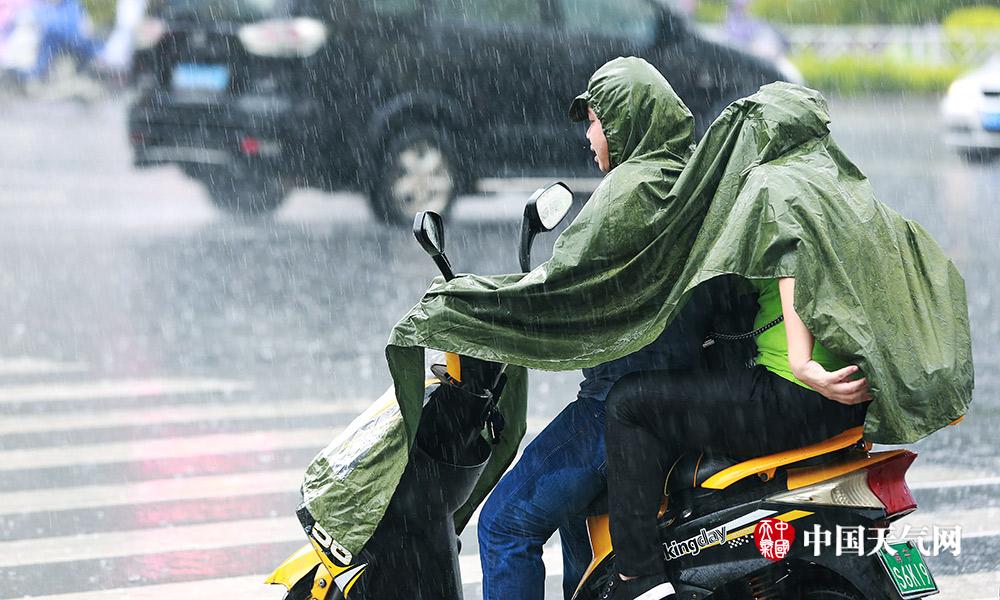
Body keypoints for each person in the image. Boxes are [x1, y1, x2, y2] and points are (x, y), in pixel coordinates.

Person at [476, 59, 734, 600]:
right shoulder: (686, 182)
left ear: (622, 122)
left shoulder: (630, 191)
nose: (588, 137)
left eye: (594, 121)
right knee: (578, 525)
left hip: (617, 405)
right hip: (678, 394)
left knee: (503, 525)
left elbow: (562, 285)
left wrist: (467, 311)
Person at [599, 276, 872, 599]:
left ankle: (637, 577)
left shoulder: (788, 223)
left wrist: (802, 363)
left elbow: (792, 260)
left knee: (628, 403)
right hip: (848, 395)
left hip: (798, 393)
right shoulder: (863, 225)